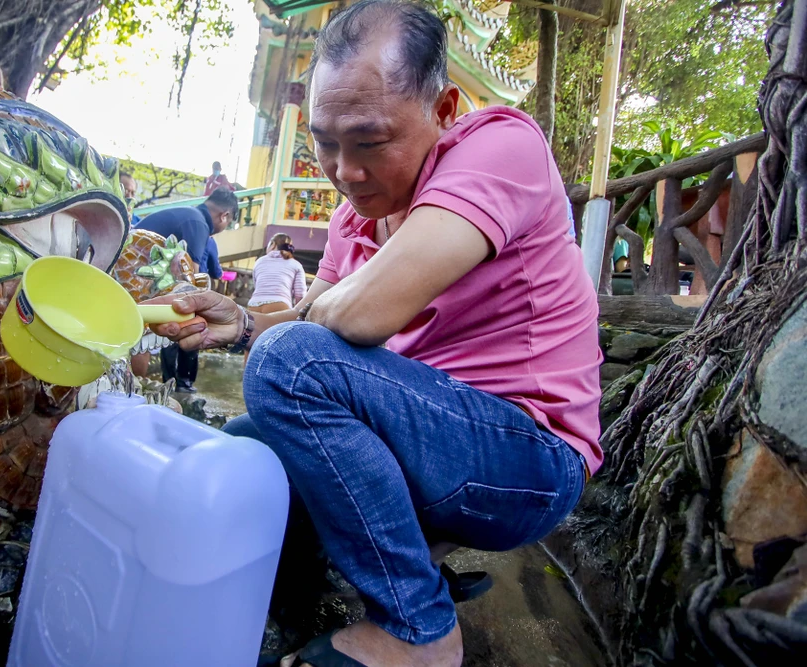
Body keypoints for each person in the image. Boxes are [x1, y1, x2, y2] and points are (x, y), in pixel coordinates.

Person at [147, 2, 600, 665]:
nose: (344, 170)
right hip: (428, 437)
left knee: (288, 367)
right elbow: (319, 320)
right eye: (325, 142)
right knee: (248, 443)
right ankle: (312, 591)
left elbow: (355, 318)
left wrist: (281, 331)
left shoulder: (501, 146)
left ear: (444, 110)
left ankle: (419, 628)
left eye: (370, 142)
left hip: (527, 460)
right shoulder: (352, 222)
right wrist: (241, 321)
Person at [134, 188, 238, 392]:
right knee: (145, 334)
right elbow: (190, 279)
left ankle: (151, 384)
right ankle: (138, 389)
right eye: (228, 222)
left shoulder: (191, 216)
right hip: (136, 281)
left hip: (139, 278)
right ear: (224, 215)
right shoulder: (198, 223)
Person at [248, 233, 307, 315]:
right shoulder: (296, 264)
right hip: (280, 304)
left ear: (272, 244)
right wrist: (298, 313)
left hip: (254, 305)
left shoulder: (259, 261)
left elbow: (256, 285)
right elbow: (300, 294)